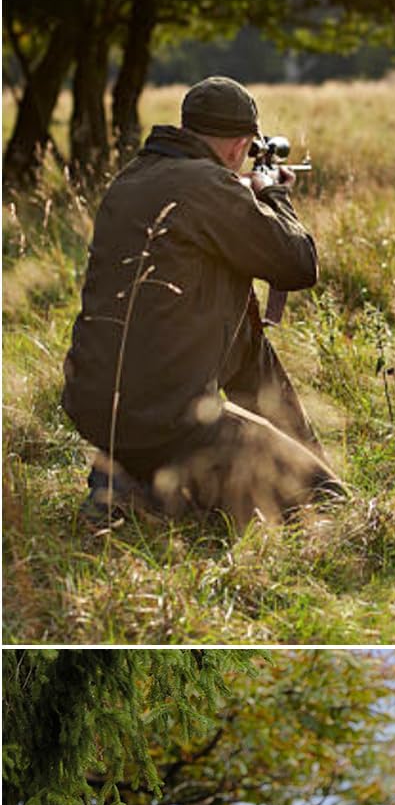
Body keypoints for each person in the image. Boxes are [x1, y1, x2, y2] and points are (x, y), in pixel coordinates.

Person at [62, 75, 345, 529]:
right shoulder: (211, 186)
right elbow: (298, 264)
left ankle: (127, 481)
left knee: (245, 342)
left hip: (95, 406)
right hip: (171, 415)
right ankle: (155, 492)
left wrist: (247, 193)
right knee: (326, 502)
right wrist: (275, 195)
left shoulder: (131, 179)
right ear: (239, 147)